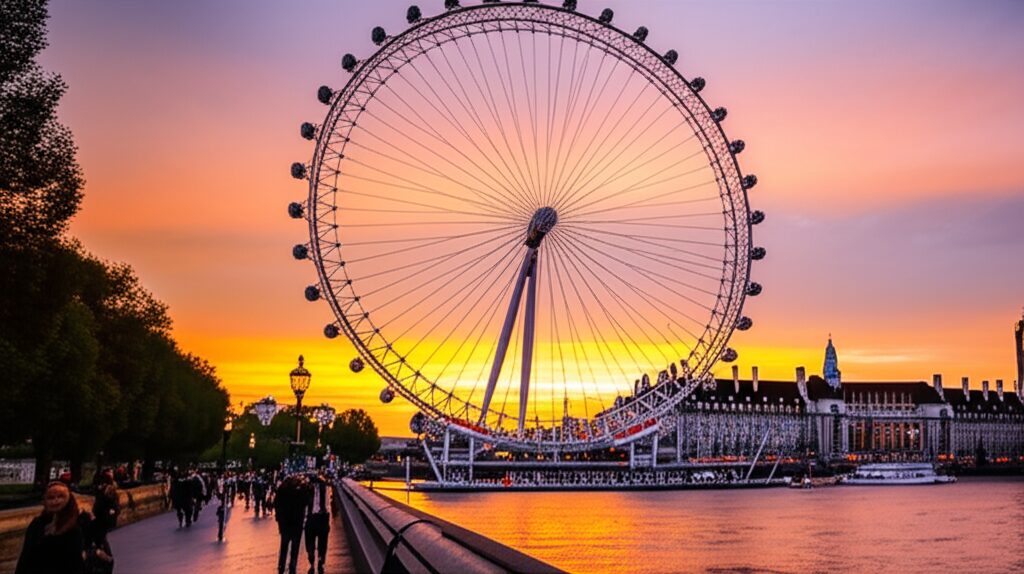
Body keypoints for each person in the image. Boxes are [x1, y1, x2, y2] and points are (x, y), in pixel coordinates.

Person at [15, 481, 86, 574]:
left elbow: (75, 563)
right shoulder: (37, 524)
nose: (55, 501)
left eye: (60, 496)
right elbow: (25, 556)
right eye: (51, 497)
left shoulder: (75, 526)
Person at [274, 475, 308, 574]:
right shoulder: (300, 491)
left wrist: (279, 520)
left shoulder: (282, 490)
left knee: (284, 546)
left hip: (285, 523)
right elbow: (306, 501)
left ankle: (281, 566)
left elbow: (277, 504)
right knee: (295, 546)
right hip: (297, 523)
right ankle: (292, 566)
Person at [304, 473, 331, 574]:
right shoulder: (326, 488)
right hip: (322, 518)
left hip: (311, 518)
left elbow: (305, 505)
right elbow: (328, 505)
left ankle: (312, 560)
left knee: (310, 542)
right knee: (322, 543)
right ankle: (320, 559)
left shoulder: (307, 489)